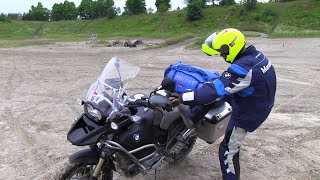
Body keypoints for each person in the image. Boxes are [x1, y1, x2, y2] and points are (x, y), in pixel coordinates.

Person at [179, 28, 277, 180]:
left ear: (232, 47)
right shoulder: (255, 55)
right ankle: (193, 117)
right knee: (215, 88)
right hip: (256, 99)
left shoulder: (243, 68)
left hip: (249, 111)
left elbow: (212, 92)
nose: (222, 56)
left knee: (228, 151)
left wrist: (182, 98)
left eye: (223, 52)